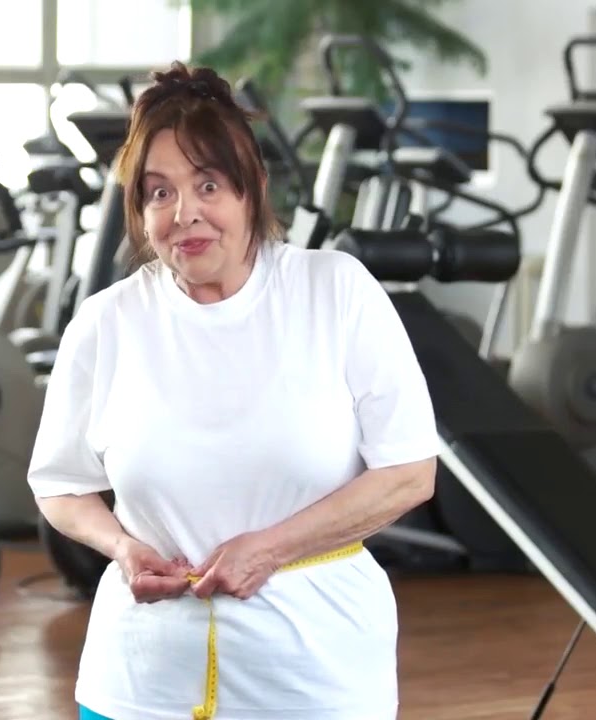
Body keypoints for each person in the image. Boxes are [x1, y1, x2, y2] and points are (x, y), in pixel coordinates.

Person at [26, 61, 440, 720]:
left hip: (314, 677)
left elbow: (410, 473)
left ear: (253, 189)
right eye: (158, 193)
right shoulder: (106, 322)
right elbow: (60, 485)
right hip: (142, 681)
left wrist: (271, 550)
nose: (184, 213)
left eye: (208, 185)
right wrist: (122, 548)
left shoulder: (336, 290)